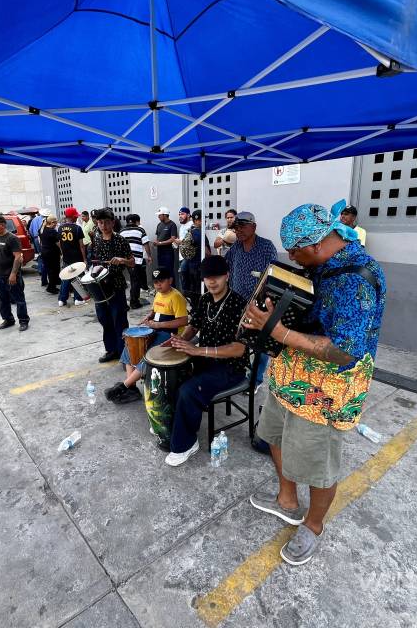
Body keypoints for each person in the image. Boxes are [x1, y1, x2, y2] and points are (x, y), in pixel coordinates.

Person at [241, 201, 385, 566]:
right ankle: (287, 501)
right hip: (290, 373)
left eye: (295, 251)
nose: (292, 257)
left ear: (317, 243)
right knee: (272, 435)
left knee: (318, 465)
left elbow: (344, 352)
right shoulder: (320, 265)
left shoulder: (357, 280)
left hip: (325, 391)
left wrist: (275, 328)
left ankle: (314, 525)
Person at [164, 255, 249, 466]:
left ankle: (186, 444)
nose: (211, 281)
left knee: (188, 390)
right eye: (207, 277)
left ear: (227, 275)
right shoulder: (204, 300)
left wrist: (198, 350)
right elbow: (194, 325)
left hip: (230, 368)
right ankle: (173, 426)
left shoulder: (239, 305)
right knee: (171, 376)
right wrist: (179, 340)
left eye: (217, 276)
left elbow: (239, 349)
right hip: (204, 359)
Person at [105, 266, 189, 404]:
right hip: (156, 330)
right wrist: (148, 317)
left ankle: (124, 386)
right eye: (156, 282)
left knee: (148, 356)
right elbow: (154, 311)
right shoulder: (158, 294)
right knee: (130, 345)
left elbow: (183, 321)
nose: (158, 285)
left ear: (171, 280)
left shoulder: (176, 297)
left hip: (170, 336)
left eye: (161, 281)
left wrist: (158, 325)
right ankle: (131, 387)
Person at [90, 208, 134, 362]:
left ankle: (125, 354)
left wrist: (122, 260)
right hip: (100, 286)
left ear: (112, 223)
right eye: (100, 222)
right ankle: (111, 350)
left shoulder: (120, 240)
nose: (103, 225)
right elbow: (93, 261)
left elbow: (132, 262)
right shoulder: (96, 239)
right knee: (104, 319)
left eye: (106, 222)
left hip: (116, 285)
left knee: (119, 320)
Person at [0, 214, 29, 332]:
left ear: (2, 225)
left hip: (10, 276)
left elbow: (17, 257)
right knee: (3, 299)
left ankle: (23, 320)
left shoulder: (12, 238)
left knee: (19, 299)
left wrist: (13, 274)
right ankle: (8, 319)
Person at [225, 211, 278, 300]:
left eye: (242, 226)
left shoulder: (266, 247)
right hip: (235, 301)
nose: (239, 231)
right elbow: (225, 265)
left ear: (254, 227)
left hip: (256, 303)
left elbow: (273, 276)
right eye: (236, 228)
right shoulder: (235, 246)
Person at [57, 207, 89, 307]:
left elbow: (60, 243)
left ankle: (62, 300)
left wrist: (62, 254)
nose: (76, 218)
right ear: (72, 217)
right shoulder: (77, 228)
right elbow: (82, 245)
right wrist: (84, 259)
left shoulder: (60, 228)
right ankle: (78, 299)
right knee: (77, 278)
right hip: (76, 257)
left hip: (66, 256)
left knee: (66, 277)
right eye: (75, 216)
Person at [120, 213, 152, 309]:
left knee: (131, 279)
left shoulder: (122, 231)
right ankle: (134, 302)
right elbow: (146, 244)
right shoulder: (140, 230)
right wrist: (149, 256)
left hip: (125, 259)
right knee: (135, 281)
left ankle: (129, 301)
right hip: (136, 260)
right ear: (137, 221)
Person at [38, 215, 62, 295]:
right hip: (52, 252)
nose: (56, 224)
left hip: (45, 251)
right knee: (54, 270)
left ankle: (54, 283)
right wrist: (63, 251)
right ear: (52, 222)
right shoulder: (52, 231)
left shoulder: (42, 229)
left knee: (49, 270)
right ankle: (51, 287)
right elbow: (58, 243)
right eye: (55, 223)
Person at [153, 206, 178, 278]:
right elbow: (158, 237)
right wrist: (156, 243)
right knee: (161, 270)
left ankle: (172, 288)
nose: (158, 217)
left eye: (160, 215)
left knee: (169, 271)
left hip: (168, 252)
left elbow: (173, 239)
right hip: (160, 252)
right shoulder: (159, 225)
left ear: (165, 215)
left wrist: (160, 243)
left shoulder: (172, 225)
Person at [27, 210, 48, 286]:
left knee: (40, 254)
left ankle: (40, 269)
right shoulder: (44, 219)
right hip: (41, 238)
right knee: (44, 255)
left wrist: (34, 237)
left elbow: (30, 230)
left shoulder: (34, 220)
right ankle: (43, 270)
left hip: (36, 238)